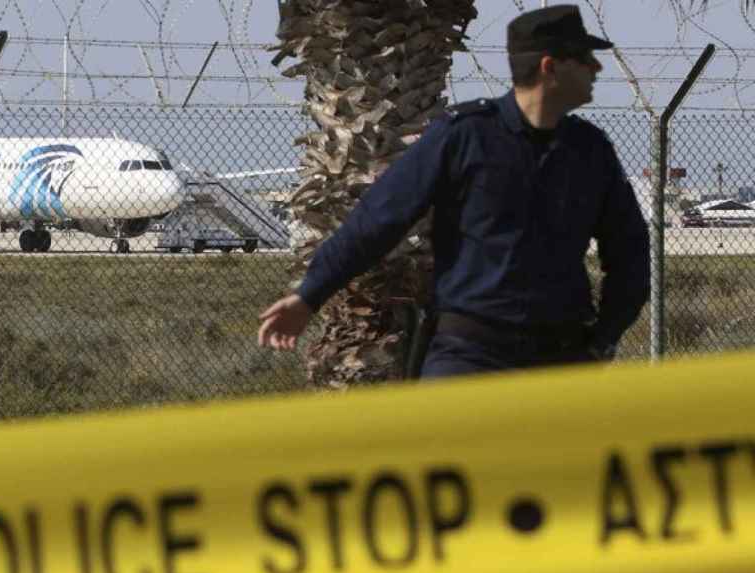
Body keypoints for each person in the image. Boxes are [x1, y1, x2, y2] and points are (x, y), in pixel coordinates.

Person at [257, 4, 650, 379]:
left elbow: (630, 252)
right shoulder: (464, 136)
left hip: (562, 357)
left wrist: (603, 341)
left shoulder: (589, 151)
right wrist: (310, 295)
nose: (596, 69)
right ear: (550, 67)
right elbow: (378, 219)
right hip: (472, 355)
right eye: (585, 59)